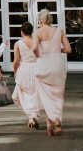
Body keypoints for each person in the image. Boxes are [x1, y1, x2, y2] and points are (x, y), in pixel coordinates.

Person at [30, 8, 71, 136]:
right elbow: (68, 49)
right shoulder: (59, 31)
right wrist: (57, 50)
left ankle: (49, 125)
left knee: (45, 95)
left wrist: (38, 55)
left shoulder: (38, 32)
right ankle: (57, 120)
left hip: (44, 64)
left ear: (41, 20)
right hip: (57, 64)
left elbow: (34, 48)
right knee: (57, 95)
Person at [11, 21, 41, 128]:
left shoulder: (18, 43)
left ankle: (32, 117)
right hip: (36, 69)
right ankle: (32, 117)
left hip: (24, 69)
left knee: (17, 97)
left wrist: (15, 71)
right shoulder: (36, 42)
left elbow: (16, 61)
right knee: (34, 95)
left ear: (22, 32)